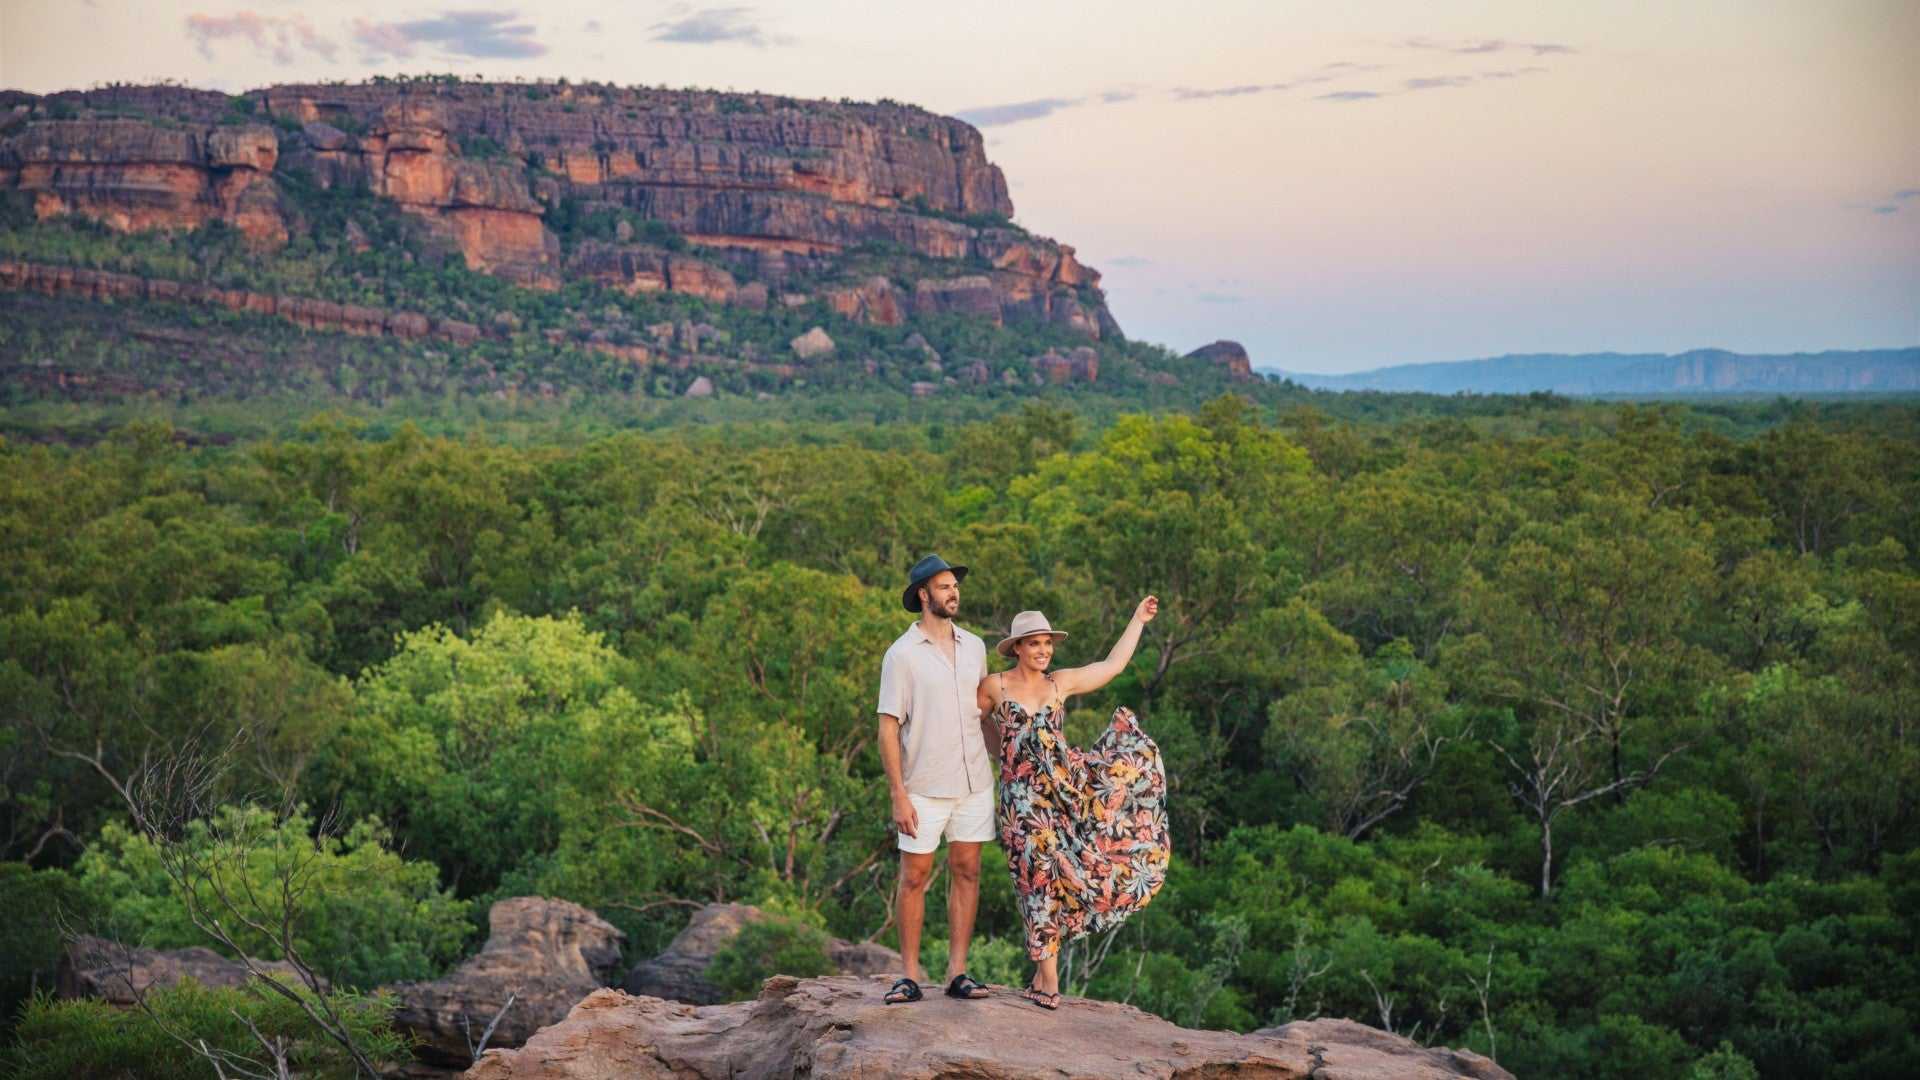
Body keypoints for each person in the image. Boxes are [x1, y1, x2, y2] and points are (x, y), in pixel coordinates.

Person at [978, 598, 1170, 1011]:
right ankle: (1048, 976)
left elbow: (1112, 665)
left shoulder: (1058, 683)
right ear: (1017, 648)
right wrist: (1003, 756)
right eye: (1034, 644)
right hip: (1021, 800)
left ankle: (1041, 973)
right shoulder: (995, 685)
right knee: (1034, 875)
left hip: (1065, 793)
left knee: (1065, 876)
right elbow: (973, 720)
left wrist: (1137, 619)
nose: (1043, 651)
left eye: (1047, 643)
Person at [876, 554, 995, 1004]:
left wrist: (1009, 757)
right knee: (915, 876)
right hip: (922, 785)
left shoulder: (976, 647)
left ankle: (957, 972)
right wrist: (898, 794)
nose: (954, 593)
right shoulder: (901, 655)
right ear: (924, 595)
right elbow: (888, 726)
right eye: (944, 587)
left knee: (968, 870)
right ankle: (907, 976)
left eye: (955, 586)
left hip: (974, 783)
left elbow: (983, 714)